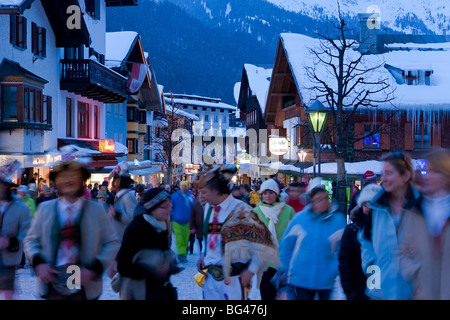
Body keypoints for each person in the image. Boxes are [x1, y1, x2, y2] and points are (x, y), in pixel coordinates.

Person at [23, 160, 120, 300]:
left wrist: (95, 267)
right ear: (56, 182)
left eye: (73, 176)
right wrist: (38, 262)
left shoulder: (96, 210)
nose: (68, 181)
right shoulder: (45, 209)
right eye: (63, 177)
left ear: (82, 180)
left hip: (84, 283)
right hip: (52, 280)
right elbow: (30, 239)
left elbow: (112, 242)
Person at [194, 165, 279, 300]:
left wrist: (251, 270)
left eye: (204, 192)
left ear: (216, 190)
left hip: (234, 281)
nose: (201, 196)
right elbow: (210, 235)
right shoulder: (209, 209)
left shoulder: (242, 210)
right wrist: (204, 254)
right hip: (211, 280)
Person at [358, 151, 420, 300]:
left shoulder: (421, 207)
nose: (383, 179)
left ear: (405, 176)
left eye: (389, 173)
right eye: (382, 173)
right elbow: (365, 240)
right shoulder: (376, 208)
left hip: (413, 292)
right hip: (380, 292)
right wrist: (372, 269)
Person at [277, 183, 346, 300]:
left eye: (326, 198)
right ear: (312, 203)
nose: (324, 202)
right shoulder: (300, 219)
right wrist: (284, 268)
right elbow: (286, 246)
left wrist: (334, 268)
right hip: (300, 278)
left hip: (326, 280)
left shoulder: (338, 221)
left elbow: (343, 250)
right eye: (319, 199)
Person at [399, 148, 450, 299]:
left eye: (434, 171)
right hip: (423, 294)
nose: (427, 177)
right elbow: (402, 252)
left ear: (446, 175)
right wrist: (416, 272)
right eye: (426, 171)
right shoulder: (415, 211)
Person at [116, 188, 182, 300]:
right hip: (140, 292)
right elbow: (123, 266)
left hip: (159, 290)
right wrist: (151, 269)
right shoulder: (137, 227)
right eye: (165, 206)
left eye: (169, 205)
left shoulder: (162, 224)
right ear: (153, 207)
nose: (169, 209)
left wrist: (170, 263)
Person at [253, 178, 296, 300]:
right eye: (265, 193)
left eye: (271, 192)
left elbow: (295, 232)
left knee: (284, 296)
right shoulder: (256, 212)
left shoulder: (288, 210)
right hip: (264, 262)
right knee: (266, 295)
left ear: (276, 193)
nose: (268, 196)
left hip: (284, 260)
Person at [339, 183, 382, 300]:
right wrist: (350, 291)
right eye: (367, 204)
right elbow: (345, 263)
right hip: (359, 290)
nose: (370, 208)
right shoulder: (352, 231)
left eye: (375, 203)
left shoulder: (389, 229)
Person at [0, 161, 31, 299]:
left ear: (8, 187)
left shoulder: (21, 208)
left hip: (9, 256)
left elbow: (27, 231)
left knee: (8, 289)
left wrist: (13, 241)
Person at [108, 162, 139, 241]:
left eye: (114, 180)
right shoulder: (120, 196)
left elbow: (132, 218)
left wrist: (116, 215)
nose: (112, 183)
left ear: (118, 182)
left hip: (125, 240)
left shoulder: (127, 197)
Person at [170, 181, 195, 263]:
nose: (183, 187)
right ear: (180, 187)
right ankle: (181, 255)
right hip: (177, 221)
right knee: (179, 238)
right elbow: (170, 207)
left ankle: (183, 254)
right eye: (182, 186)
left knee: (185, 239)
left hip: (187, 221)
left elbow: (194, 208)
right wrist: (174, 215)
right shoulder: (175, 196)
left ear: (187, 187)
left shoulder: (190, 196)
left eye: (185, 186)